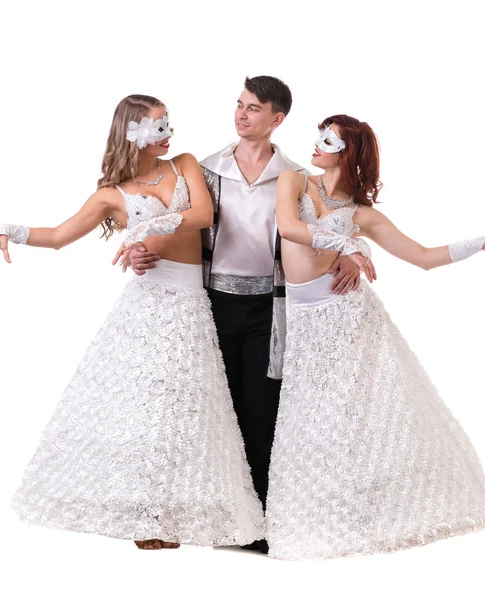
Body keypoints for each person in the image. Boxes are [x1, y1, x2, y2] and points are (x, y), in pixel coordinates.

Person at [0, 94, 264, 551]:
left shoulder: (184, 164)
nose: (169, 134)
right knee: (146, 411)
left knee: (189, 409)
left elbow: (203, 215)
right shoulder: (112, 195)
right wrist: (9, 230)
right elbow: (60, 236)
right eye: (158, 127)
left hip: (192, 304)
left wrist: (145, 233)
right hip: (147, 308)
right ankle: (147, 517)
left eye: (169, 123)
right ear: (134, 133)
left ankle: (180, 512)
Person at [265, 114, 485, 560]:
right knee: (306, 415)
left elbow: (423, 256)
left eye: (328, 140)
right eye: (319, 135)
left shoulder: (363, 215)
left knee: (354, 414)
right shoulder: (294, 181)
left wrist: (480, 242)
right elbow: (289, 228)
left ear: (349, 153)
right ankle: (309, 519)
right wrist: (349, 246)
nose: (317, 144)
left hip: (347, 316)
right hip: (305, 319)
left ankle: (364, 513)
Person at [127, 77, 366, 554]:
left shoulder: (296, 176)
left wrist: (348, 254)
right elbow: (168, 219)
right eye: (239, 106)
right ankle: (179, 516)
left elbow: (324, 227)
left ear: (277, 119)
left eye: (254, 109)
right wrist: (139, 249)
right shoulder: (208, 169)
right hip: (210, 301)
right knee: (198, 407)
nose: (242, 115)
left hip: (269, 307)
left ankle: (255, 525)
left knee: (260, 410)